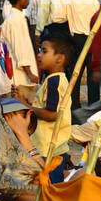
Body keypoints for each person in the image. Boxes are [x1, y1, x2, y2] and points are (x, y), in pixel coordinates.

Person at [30, 33, 74, 161]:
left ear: (59, 58)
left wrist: (25, 106)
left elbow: (51, 114)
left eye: (44, 51)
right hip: (53, 146)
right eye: (39, 51)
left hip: (48, 149)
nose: (39, 55)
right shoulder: (58, 79)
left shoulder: (54, 81)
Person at [0, 0, 38, 103]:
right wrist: (29, 73)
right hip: (17, 76)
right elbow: (19, 48)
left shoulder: (16, 18)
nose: (28, 0)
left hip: (17, 73)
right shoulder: (14, 20)